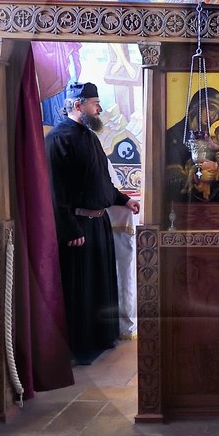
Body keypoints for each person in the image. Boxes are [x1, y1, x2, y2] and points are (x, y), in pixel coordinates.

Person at [46, 82, 138, 364]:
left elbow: (102, 182)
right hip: (78, 227)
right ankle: (81, 347)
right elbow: (55, 189)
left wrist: (123, 200)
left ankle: (101, 339)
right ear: (78, 105)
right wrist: (70, 228)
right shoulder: (58, 139)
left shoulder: (90, 136)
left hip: (98, 224)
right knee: (82, 290)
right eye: (94, 103)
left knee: (101, 285)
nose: (99, 109)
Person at [164, 87, 219, 203]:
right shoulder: (173, 136)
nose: (213, 116)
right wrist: (196, 177)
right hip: (181, 209)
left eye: (217, 114)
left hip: (218, 211)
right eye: (211, 109)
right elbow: (169, 175)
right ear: (197, 106)